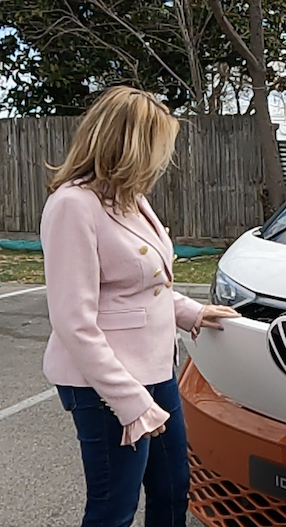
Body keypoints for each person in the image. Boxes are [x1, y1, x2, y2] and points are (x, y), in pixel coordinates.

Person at [40, 86, 240, 527]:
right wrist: (130, 402)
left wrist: (192, 312)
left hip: (157, 370)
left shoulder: (131, 199)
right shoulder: (73, 205)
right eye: (157, 147)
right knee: (114, 508)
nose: (161, 161)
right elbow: (73, 321)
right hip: (105, 385)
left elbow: (143, 285)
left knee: (173, 490)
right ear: (128, 145)